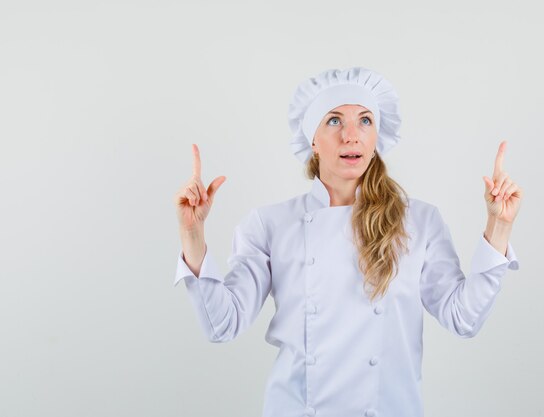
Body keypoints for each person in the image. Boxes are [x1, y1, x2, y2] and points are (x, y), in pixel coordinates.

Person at [173, 67, 523, 417]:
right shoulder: (270, 224)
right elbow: (223, 324)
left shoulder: (419, 221)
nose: (351, 135)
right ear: (312, 139)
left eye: (365, 121)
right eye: (334, 121)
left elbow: (463, 318)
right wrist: (192, 234)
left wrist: (499, 225)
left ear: (377, 139)